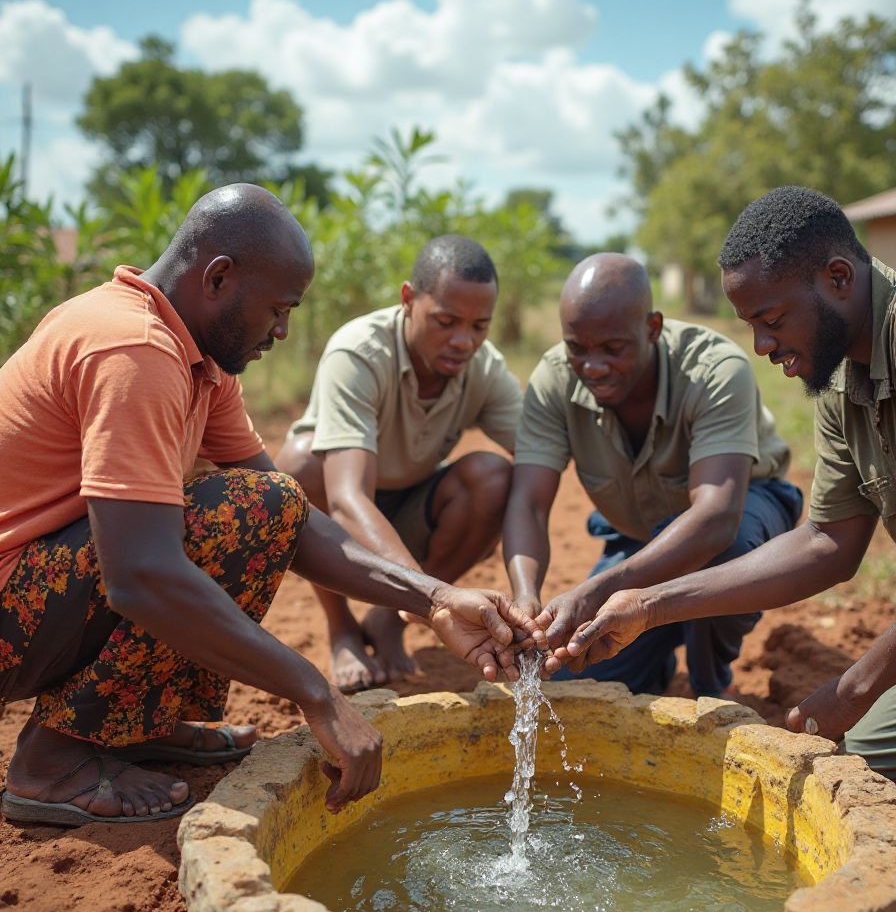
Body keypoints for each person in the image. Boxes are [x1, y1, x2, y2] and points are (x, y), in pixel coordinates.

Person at [553, 187, 896, 912]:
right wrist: (647, 604)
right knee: (870, 751)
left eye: (771, 321)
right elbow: (827, 544)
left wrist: (857, 680)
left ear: (838, 278)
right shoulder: (844, 382)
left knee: (857, 709)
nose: (763, 346)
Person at [0, 185, 541, 828]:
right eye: (278, 309)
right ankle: (51, 762)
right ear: (219, 278)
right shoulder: (135, 349)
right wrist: (316, 693)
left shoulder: (198, 358)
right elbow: (137, 575)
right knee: (242, 510)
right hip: (13, 609)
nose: (283, 331)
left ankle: (126, 729)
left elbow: (294, 522)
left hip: (42, 594)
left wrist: (432, 599)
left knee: (266, 504)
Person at [504, 253, 801, 696]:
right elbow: (528, 501)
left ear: (653, 329)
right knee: (570, 679)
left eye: (613, 349)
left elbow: (716, 519)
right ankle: (651, 657)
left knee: (724, 551)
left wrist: (597, 592)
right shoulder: (554, 379)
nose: (593, 366)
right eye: (577, 348)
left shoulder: (715, 369)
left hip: (742, 515)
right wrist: (525, 595)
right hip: (639, 541)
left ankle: (708, 687)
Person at [276, 235, 522, 691]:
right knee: (299, 466)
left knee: (495, 477)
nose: (463, 341)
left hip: (413, 505)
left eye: (479, 326)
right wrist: (435, 599)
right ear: (409, 299)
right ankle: (342, 628)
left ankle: (390, 619)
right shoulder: (359, 353)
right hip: (338, 509)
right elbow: (348, 498)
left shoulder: (484, 369)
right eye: (445, 321)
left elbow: (539, 457)